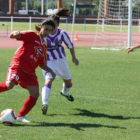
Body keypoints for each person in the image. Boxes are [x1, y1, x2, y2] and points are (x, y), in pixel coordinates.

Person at [0, 19, 56, 123]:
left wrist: (51, 71)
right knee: (9, 85)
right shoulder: (32, 35)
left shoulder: (44, 45)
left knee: (35, 94)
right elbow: (14, 35)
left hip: (30, 72)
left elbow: (42, 63)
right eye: (46, 29)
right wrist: (15, 33)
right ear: (41, 27)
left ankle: (21, 116)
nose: (47, 32)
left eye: (50, 30)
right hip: (18, 65)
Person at [41, 9, 79, 115]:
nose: (51, 28)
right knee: (49, 79)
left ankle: (64, 92)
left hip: (61, 61)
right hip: (49, 62)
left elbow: (70, 46)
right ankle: (45, 103)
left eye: (53, 25)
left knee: (68, 83)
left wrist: (74, 58)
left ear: (57, 25)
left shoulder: (62, 33)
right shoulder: (43, 34)